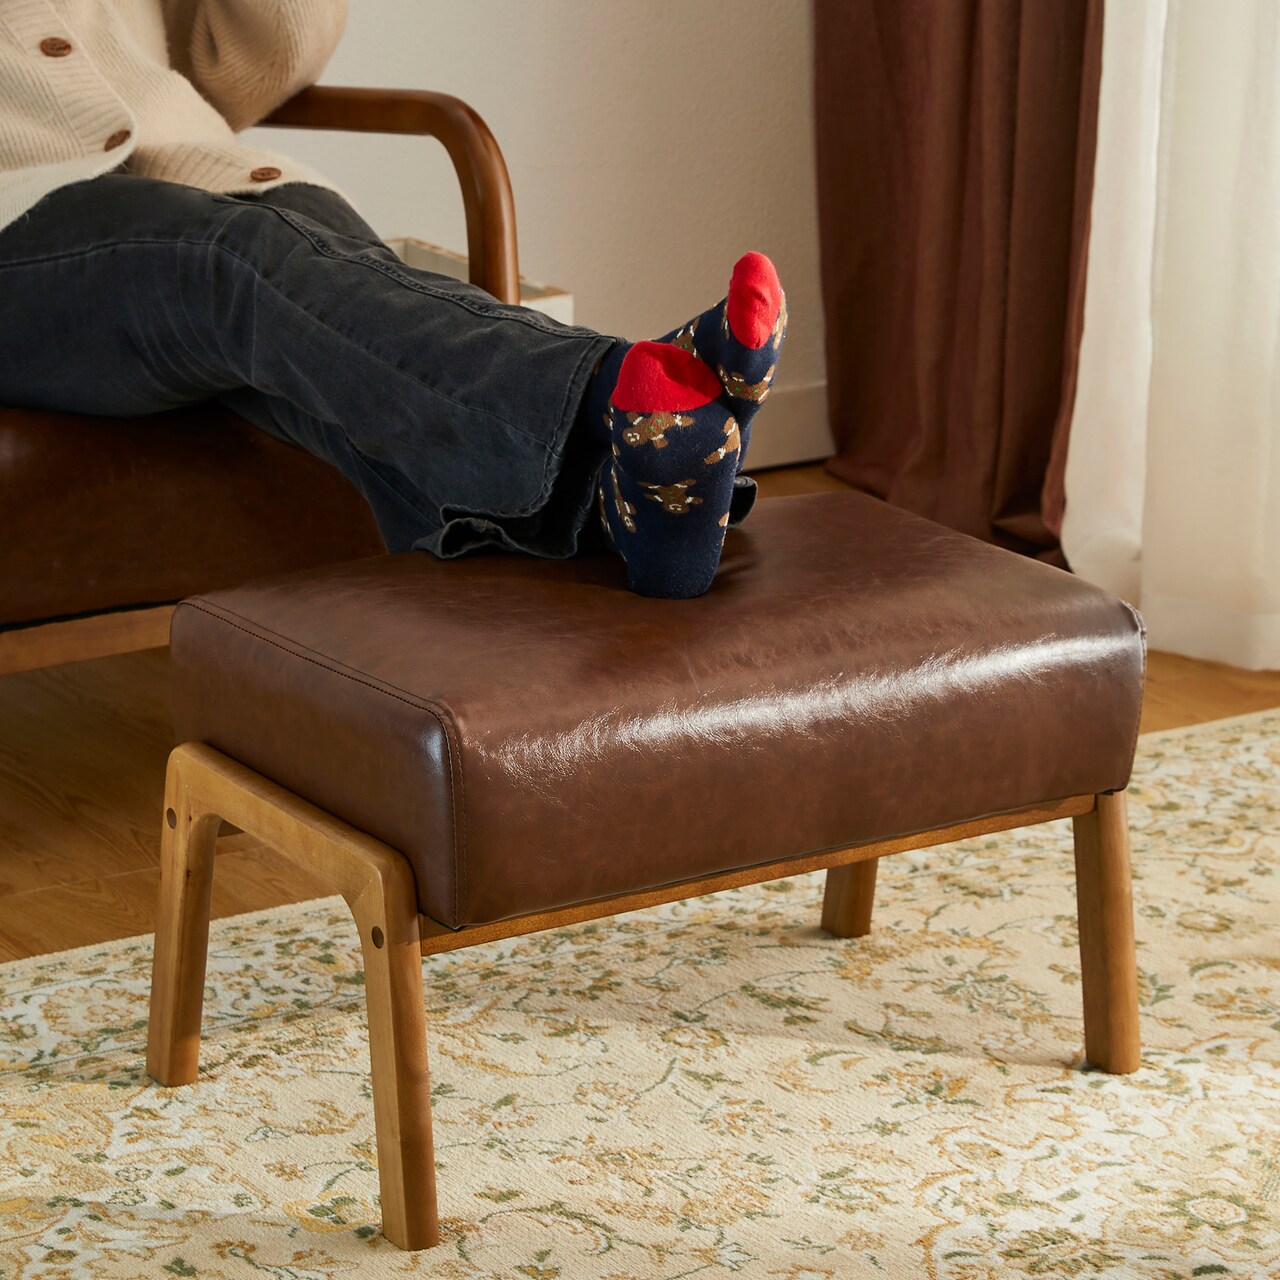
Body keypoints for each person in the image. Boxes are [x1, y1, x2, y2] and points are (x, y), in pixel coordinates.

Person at [0, 1, 786, 599]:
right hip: (20, 219)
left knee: (351, 362)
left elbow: (249, 68)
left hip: (189, 177)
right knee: (235, 263)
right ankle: (622, 392)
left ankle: (637, 514)